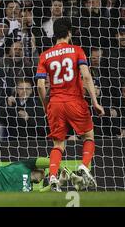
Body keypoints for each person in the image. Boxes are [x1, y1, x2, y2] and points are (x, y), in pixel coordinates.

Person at [36, 18, 105, 192]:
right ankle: (83, 166)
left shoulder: (45, 55)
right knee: (88, 137)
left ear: (54, 34)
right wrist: (95, 102)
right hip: (75, 101)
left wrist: (46, 105)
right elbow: (86, 77)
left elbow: (40, 85)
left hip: (56, 104)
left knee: (58, 145)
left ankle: (52, 177)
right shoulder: (77, 51)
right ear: (69, 32)